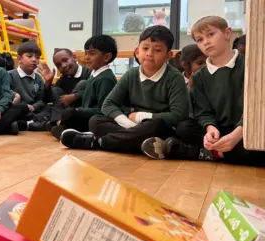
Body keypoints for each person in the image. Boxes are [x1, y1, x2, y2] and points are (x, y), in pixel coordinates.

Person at [141, 16, 265, 166]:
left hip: (248, 129)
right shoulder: (200, 76)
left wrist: (238, 134)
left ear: (227, 33)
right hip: (219, 130)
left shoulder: (251, 66)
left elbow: (257, 107)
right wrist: (210, 127)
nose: (206, 42)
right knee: (184, 128)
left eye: (211, 34)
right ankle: (217, 150)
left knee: (257, 147)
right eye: (199, 39)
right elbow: (203, 111)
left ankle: (202, 152)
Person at [60, 25, 189, 153]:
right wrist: (130, 126)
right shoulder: (131, 74)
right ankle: (146, 145)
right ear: (137, 52)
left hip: (157, 126)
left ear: (168, 55)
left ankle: (98, 142)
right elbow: (108, 104)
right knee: (96, 121)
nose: (150, 54)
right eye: (145, 48)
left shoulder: (174, 77)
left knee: (156, 125)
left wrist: (140, 116)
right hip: (132, 125)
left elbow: (178, 115)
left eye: (157, 50)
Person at [50, 35, 118, 139]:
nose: (86, 57)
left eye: (92, 53)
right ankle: (73, 133)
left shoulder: (105, 78)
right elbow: (87, 93)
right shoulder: (94, 74)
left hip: (95, 118)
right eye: (86, 53)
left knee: (69, 113)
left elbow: (103, 110)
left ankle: (80, 135)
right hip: (86, 114)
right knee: (53, 125)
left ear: (107, 57)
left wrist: (78, 111)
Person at [39, 48, 92, 129]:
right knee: (55, 90)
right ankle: (60, 122)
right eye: (59, 65)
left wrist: (74, 96)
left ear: (74, 58)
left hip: (82, 111)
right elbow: (47, 100)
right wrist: (48, 82)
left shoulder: (89, 73)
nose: (63, 65)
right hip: (65, 111)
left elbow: (94, 94)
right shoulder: (63, 78)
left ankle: (59, 122)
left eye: (65, 60)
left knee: (82, 84)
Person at [9, 41, 51, 131]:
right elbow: (5, 92)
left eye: (37, 57)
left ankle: (30, 123)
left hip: (33, 111)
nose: (34, 60)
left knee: (51, 108)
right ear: (19, 59)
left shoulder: (38, 78)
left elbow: (41, 100)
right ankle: (32, 123)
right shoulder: (10, 75)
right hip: (19, 109)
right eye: (29, 56)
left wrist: (33, 107)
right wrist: (21, 103)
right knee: (11, 109)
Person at [179, 44, 207, 117]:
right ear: (185, 65)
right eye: (200, 63)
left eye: (208, 62)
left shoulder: (212, 79)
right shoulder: (176, 81)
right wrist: (190, 87)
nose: (205, 66)